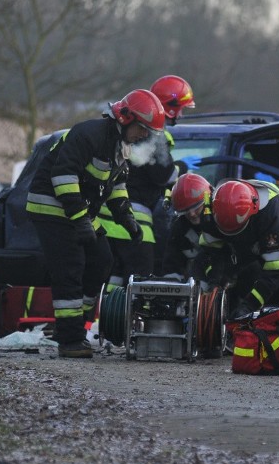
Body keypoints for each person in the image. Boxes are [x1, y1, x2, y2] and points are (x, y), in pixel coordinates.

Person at [25, 89, 166, 358]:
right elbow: (63, 177)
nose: (144, 136)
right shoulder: (89, 134)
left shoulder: (119, 146)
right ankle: (69, 340)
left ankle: (72, 325)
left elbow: (116, 186)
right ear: (126, 118)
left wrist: (127, 220)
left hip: (77, 212)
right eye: (142, 129)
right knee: (70, 266)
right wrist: (81, 221)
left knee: (102, 259)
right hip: (51, 208)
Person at [100, 75, 200, 289]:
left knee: (117, 273)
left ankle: (106, 316)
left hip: (108, 216)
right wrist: (182, 168)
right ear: (169, 106)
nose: (180, 115)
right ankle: (130, 321)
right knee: (141, 277)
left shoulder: (134, 128)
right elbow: (164, 177)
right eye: (180, 108)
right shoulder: (154, 134)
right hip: (134, 217)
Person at [202, 178, 279, 323]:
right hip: (253, 231)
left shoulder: (271, 212)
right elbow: (210, 252)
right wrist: (215, 282)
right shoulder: (211, 209)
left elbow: (276, 269)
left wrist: (249, 305)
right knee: (240, 277)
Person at [162, 172, 214, 286]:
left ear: (207, 201)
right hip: (196, 287)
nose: (192, 214)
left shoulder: (221, 219)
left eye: (196, 207)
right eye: (186, 210)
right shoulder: (179, 229)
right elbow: (171, 264)